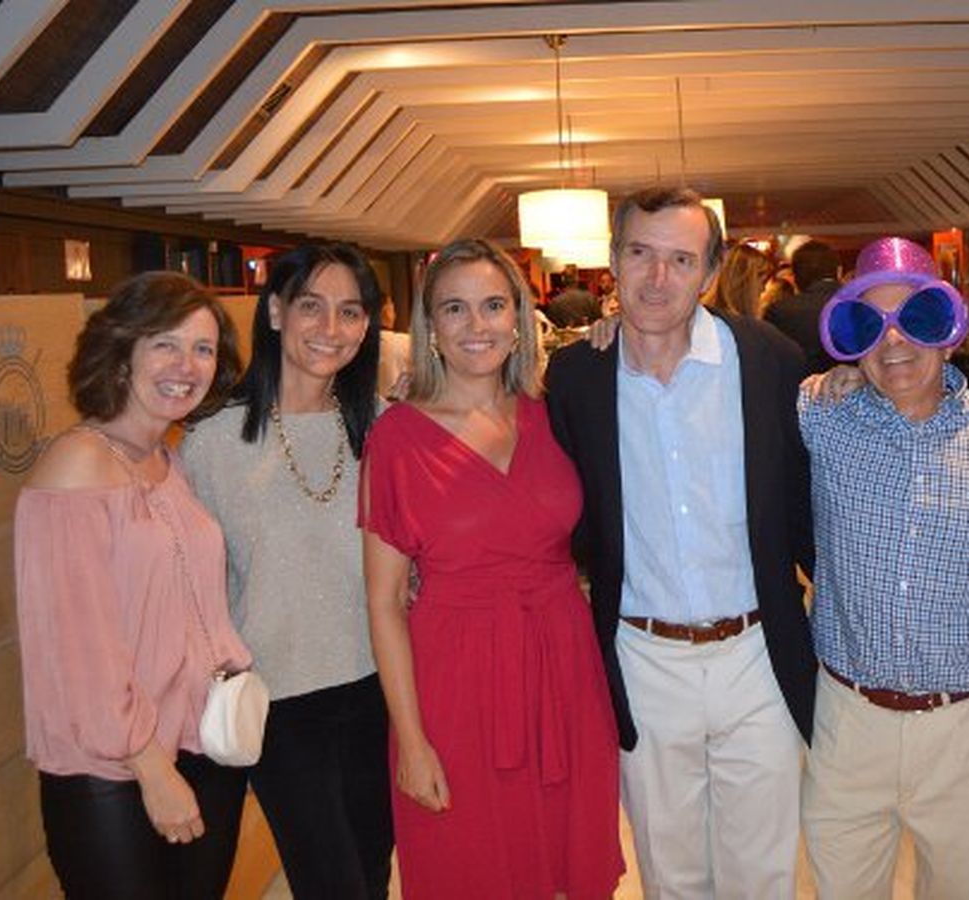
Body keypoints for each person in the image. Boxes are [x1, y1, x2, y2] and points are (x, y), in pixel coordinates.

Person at [545, 187, 817, 897]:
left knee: (762, 875)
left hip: (757, 655)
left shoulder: (768, 361)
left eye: (680, 259)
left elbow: (806, 495)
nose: (657, 279)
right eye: (640, 254)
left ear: (709, 272)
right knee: (670, 877)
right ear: (612, 261)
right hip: (643, 659)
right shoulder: (575, 378)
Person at [361, 238, 623, 898]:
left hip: (564, 667)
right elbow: (384, 603)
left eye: (493, 305)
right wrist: (412, 742)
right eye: (455, 308)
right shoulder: (396, 437)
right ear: (430, 327)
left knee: (568, 856)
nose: (477, 326)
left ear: (518, 316)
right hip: (455, 682)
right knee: (469, 863)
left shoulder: (552, 413)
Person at [14, 271, 249, 900]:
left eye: (203, 348)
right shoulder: (76, 466)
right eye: (164, 344)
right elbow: (78, 651)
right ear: (120, 352)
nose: (187, 365)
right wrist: (152, 770)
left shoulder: (168, 461)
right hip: (114, 771)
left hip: (199, 745)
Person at [797, 236, 969, 897]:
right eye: (870, 324)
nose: (894, 342)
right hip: (848, 722)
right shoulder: (819, 414)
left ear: (950, 331)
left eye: (916, 319)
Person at [180, 243, 394, 899]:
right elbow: (192, 588)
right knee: (332, 884)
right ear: (275, 312)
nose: (331, 329)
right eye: (312, 307)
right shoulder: (213, 441)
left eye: (350, 312)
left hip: (378, 690)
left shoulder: (383, 429)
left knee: (372, 871)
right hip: (279, 703)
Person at [765, 239, 842, 373]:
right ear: (838, 271)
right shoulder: (859, 305)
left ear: (796, 276)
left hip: (795, 389)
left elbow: (770, 363)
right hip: (851, 389)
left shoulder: (780, 311)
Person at [704, 241, 774, 319]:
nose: (763, 289)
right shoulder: (742, 325)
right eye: (763, 282)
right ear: (746, 283)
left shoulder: (705, 315)